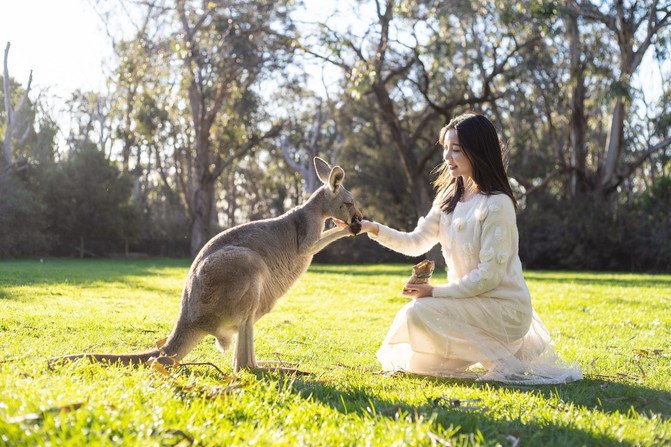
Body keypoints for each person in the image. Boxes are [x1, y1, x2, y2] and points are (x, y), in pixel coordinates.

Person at [338, 112, 582, 384]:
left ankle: (503, 357)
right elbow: (415, 241)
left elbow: (489, 276)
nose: (447, 157)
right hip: (467, 302)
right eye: (445, 149)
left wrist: (435, 292)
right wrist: (372, 228)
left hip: (503, 309)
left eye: (456, 150)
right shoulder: (448, 199)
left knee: (417, 311)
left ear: (477, 151)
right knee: (420, 363)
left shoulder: (497, 204)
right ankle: (496, 356)